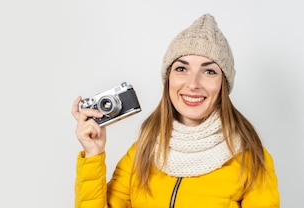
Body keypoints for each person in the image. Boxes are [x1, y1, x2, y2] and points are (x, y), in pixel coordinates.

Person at [70, 13, 280, 208]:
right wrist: (93, 154)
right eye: (181, 68)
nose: (193, 83)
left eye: (209, 71)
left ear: (223, 84)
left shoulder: (251, 160)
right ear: (168, 78)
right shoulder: (142, 150)